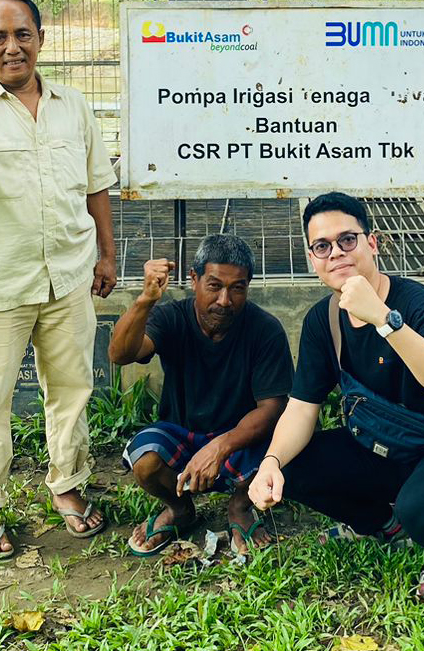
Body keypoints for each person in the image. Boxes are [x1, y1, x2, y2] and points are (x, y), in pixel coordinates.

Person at [249, 193, 424, 601]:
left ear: (373, 242)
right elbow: (301, 405)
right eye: (322, 246)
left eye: (347, 239)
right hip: (389, 445)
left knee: (423, 509)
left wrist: (383, 319)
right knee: (291, 463)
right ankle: (384, 525)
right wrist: (271, 463)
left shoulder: (415, 302)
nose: (336, 253)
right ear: (312, 259)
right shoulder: (324, 319)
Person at [0, 0, 117, 559]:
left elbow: (95, 185)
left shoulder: (73, 104)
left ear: (40, 38)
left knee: (71, 390)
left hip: (68, 274)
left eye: (23, 35)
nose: (12, 48)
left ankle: (67, 487)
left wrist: (107, 255)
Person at [108, 234, 292, 557]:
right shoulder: (171, 318)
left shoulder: (266, 330)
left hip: (242, 442)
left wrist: (221, 446)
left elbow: (273, 409)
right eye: (215, 286)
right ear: (193, 280)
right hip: (184, 435)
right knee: (145, 458)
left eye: (237, 288)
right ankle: (179, 510)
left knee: (282, 448)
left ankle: (239, 507)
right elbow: (121, 354)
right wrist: (145, 300)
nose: (225, 300)